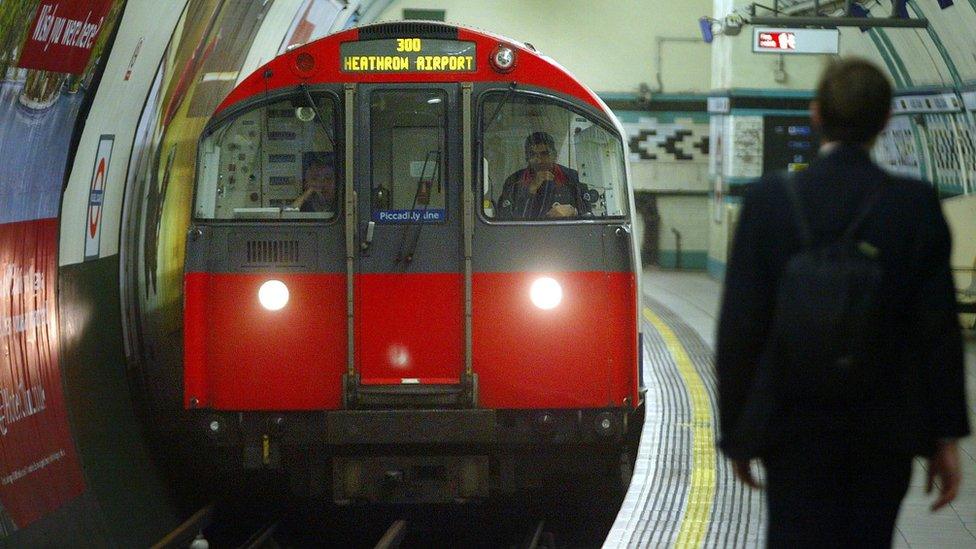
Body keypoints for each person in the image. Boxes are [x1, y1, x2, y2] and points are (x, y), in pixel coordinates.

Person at [716, 58, 969, 547]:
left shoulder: (770, 201)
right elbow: (938, 329)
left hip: (792, 424)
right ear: (885, 122)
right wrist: (946, 436)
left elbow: (741, 327)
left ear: (816, 116)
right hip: (884, 427)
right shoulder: (913, 205)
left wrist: (738, 433)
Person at [496, 132, 590, 219]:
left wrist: (573, 212)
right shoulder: (514, 181)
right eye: (533, 155)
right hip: (524, 234)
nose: (539, 160)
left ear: (555, 155)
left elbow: (588, 215)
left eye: (545, 154)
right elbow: (503, 216)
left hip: (564, 234)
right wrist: (531, 189)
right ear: (527, 157)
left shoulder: (572, 177)